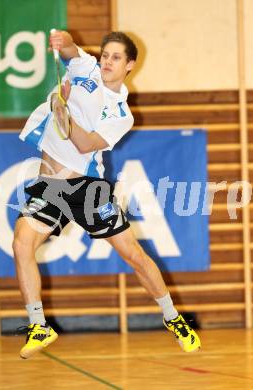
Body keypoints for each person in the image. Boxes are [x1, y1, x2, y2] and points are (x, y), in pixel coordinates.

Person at [13, 30, 201, 359]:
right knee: (21, 243)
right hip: (49, 186)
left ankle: (173, 317)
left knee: (134, 256)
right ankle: (38, 324)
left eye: (116, 57)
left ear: (130, 65)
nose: (107, 62)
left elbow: (85, 144)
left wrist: (63, 115)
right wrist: (61, 39)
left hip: (88, 189)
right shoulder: (84, 69)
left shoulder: (120, 113)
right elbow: (71, 47)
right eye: (105, 55)